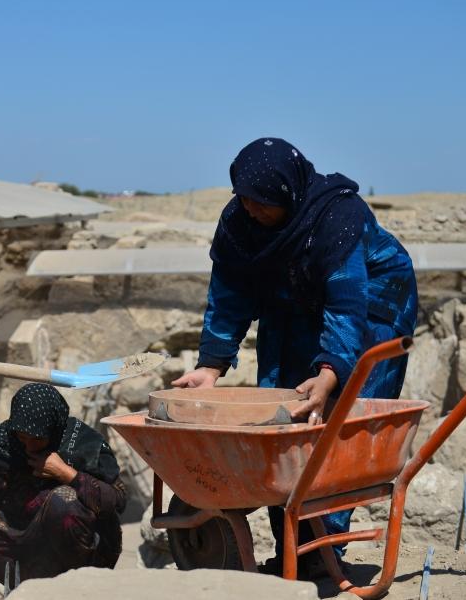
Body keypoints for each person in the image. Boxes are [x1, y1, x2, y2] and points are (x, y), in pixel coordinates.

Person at [172, 137, 418, 576]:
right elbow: (228, 295)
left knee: (341, 413)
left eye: (262, 202)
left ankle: (324, 549)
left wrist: (330, 372)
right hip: (293, 297)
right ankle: (295, 544)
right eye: (243, 198)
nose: (251, 208)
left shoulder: (337, 216)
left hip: (374, 301)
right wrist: (210, 366)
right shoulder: (238, 224)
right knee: (283, 404)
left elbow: (346, 303)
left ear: (288, 193)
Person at [0, 382, 126, 590]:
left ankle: (72, 589)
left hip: (59, 548)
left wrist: (67, 473)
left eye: (38, 439)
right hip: (10, 542)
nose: (28, 446)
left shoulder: (82, 443)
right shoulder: (1, 441)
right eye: (22, 437)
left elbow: (118, 500)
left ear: (54, 428)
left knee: (65, 501)